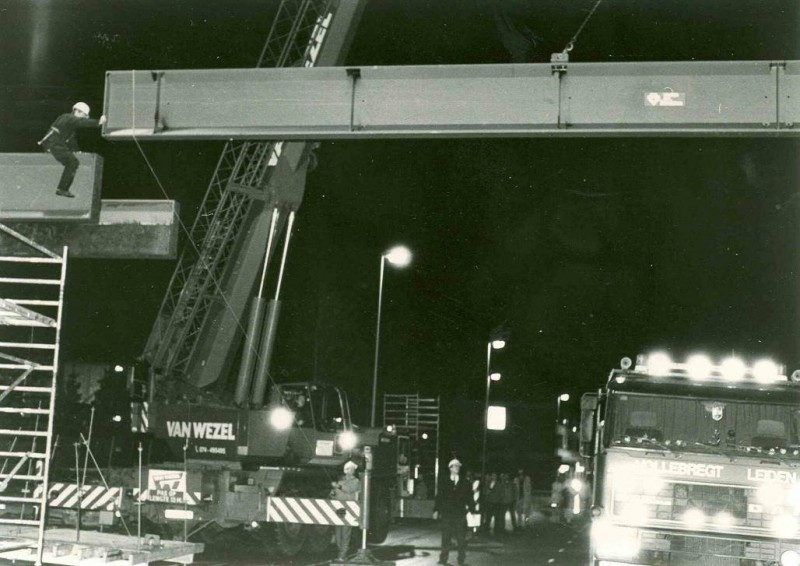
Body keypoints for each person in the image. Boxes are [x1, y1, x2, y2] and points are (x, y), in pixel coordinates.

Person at [39, 102, 106, 198]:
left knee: (72, 162)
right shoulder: (67, 117)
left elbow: (71, 140)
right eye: (83, 116)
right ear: (78, 111)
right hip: (53, 144)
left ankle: (62, 188)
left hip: (54, 144)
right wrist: (98, 122)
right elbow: (80, 122)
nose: (82, 118)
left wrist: (77, 150)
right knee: (73, 162)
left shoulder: (69, 124)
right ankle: (62, 189)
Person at [433, 458, 475, 565]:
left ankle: (461, 559)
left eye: (459, 466)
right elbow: (440, 497)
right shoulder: (444, 481)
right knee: (446, 537)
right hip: (447, 514)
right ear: (450, 468)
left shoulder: (465, 482)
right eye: (455, 466)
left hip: (460, 514)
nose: (457, 468)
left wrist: (472, 510)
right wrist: (436, 510)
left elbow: (470, 497)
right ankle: (443, 558)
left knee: (461, 538)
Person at [330, 460, 361, 561]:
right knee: (338, 532)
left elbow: (350, 490)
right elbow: (337, 492)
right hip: (339, 508)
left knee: (345, 533)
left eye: (349, 469)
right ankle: (340, 552)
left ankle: (343, 554)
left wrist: (338, 486)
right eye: (346, 469)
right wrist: (333, 493)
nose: (347, 471)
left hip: (349, 508)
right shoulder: (341, 480)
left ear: (353, 471)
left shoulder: (356, 481)